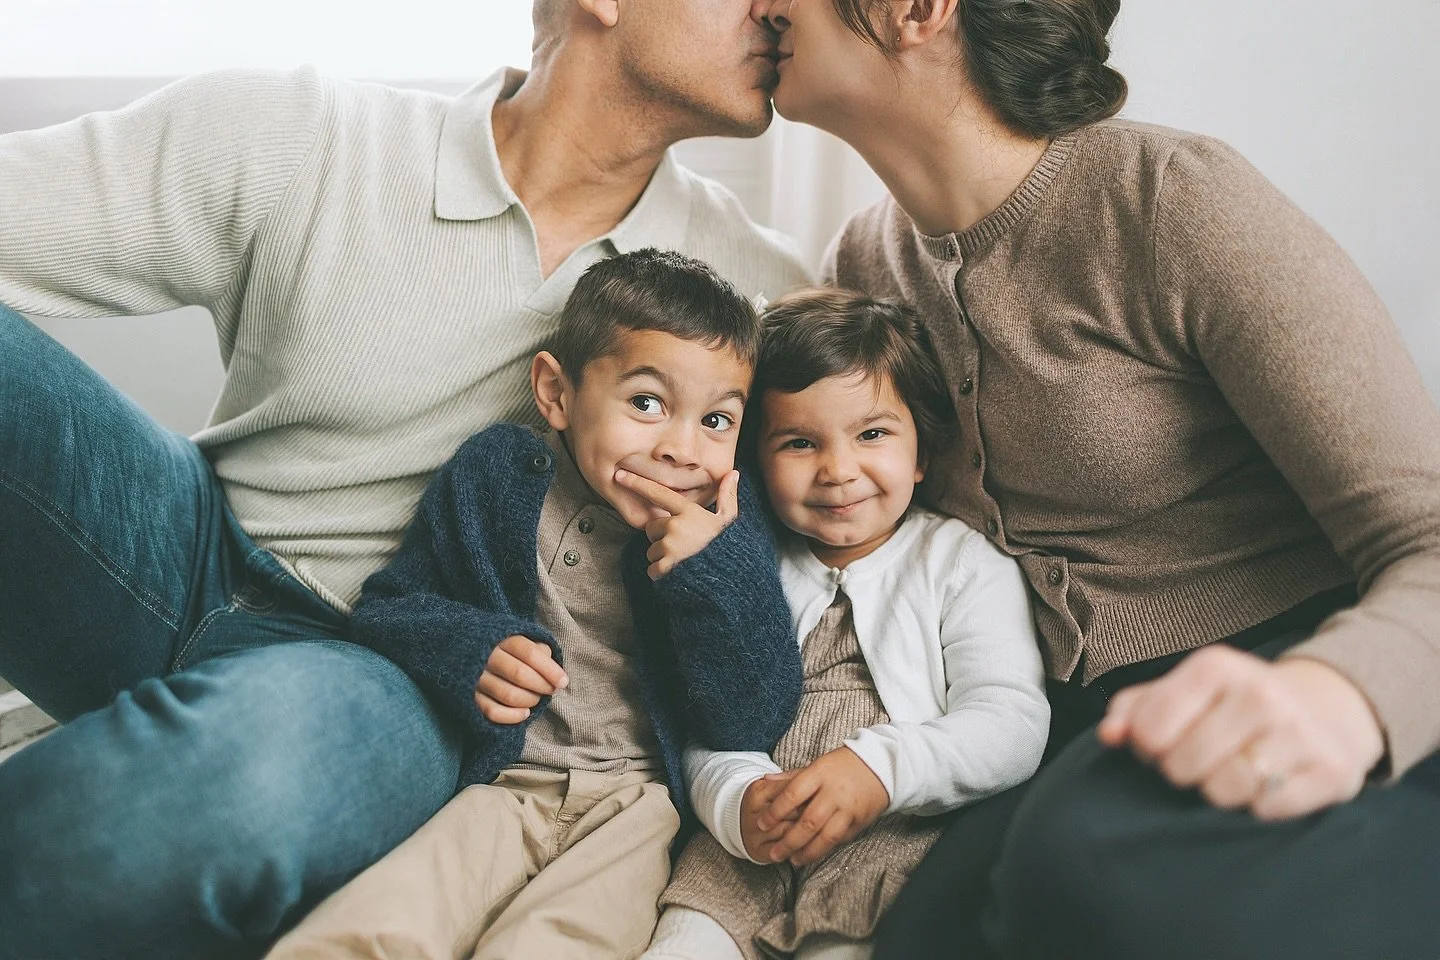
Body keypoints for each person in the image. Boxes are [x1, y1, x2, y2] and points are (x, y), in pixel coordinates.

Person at [0, 2, 808, 956]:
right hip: (168, 544)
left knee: (222, 793)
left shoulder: (759, 308)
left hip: (401, 677)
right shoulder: (307, 136)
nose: (782, 8)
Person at [751, 1, 1440, 958]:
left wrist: (1341, 694)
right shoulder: (865, 268)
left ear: (916, 10)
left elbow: (1429, 534)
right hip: (1056, 729)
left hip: (1296, 684)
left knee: (1085, 870)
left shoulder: (1172, 199)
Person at [264, 249, 803, 960]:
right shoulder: (496, 476)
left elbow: (756, 714)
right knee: (374, 926)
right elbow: (392, 607)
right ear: (556, 393)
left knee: (555, 945)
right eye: (647, 403)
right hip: (500, 785)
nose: (680, 448)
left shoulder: (728, 524)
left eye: (716, 421)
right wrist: (473, 650)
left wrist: (714, 570)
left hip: (635, 805)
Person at [642, 289, 1050, 960]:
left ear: (921, 451)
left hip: (890, 845)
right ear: (754, 463)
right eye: (800, 442)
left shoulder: (959, 563)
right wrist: (737, 802)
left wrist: (877, 771)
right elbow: (708, 716)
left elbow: (1009, 723)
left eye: (872, 434)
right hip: (745, 851)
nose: (838, 470)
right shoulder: (748, 565)